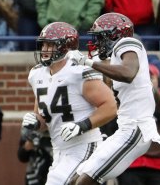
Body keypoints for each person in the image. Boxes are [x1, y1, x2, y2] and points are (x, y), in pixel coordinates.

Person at [66, 12, 160, 184]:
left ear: (114, 36)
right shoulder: (141, 80)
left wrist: (88, 62)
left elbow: (128, 73)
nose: (96, 42)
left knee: (85, 181)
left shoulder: (127, 42)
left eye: (100, 37)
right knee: (76, 177)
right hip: (125, 130)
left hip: (135, 130)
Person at [22, 21, 117, 184]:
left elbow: (110, 107)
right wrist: (35, 123)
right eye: (43, 44)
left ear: (65, 47)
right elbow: (44, 121)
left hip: (85, 146)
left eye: (50, 44)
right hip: (59, 150)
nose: (44, 49)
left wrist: (82, 125)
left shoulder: (78, 72)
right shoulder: (37, 74)